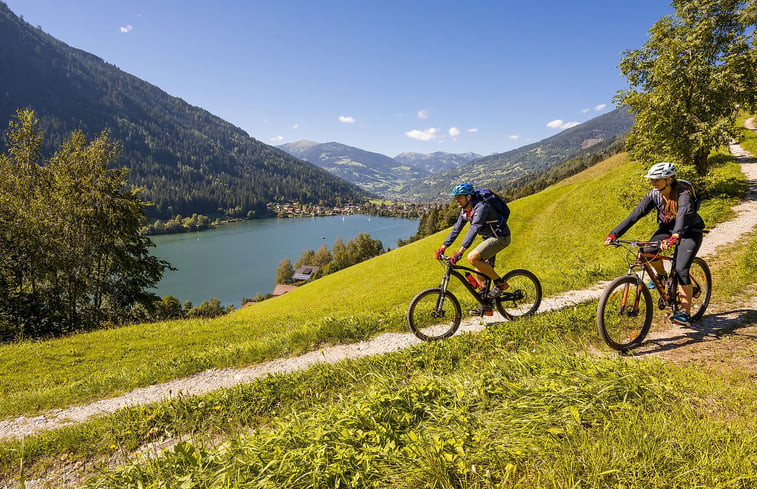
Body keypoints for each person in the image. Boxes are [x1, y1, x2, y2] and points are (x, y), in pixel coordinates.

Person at [604, 162, 706, 326]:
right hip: (667, 230)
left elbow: (683, 215)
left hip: (689, 232)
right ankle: (662, 276)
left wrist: (675, 235)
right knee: (648, 251)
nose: (653, 182)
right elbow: (635, 215)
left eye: (657, 179)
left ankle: (685, 312)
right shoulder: (654, 195)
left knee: (681, 270)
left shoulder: (683, 194)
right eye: (652, 179)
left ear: (669, 179)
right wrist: (614, 233)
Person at [435, 183, 511, 316]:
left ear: (469, 196)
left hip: (500, 237)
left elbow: (474, 228)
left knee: (472, 257)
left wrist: (461, 251)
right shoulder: (465, 211)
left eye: (459, 197)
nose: (456, 200)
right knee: (478, 267)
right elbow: (456, 229)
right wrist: (443, 247)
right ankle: (486, 306)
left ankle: (500, 283)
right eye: (455, 197)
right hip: (488, 238)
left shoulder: (481, 207)